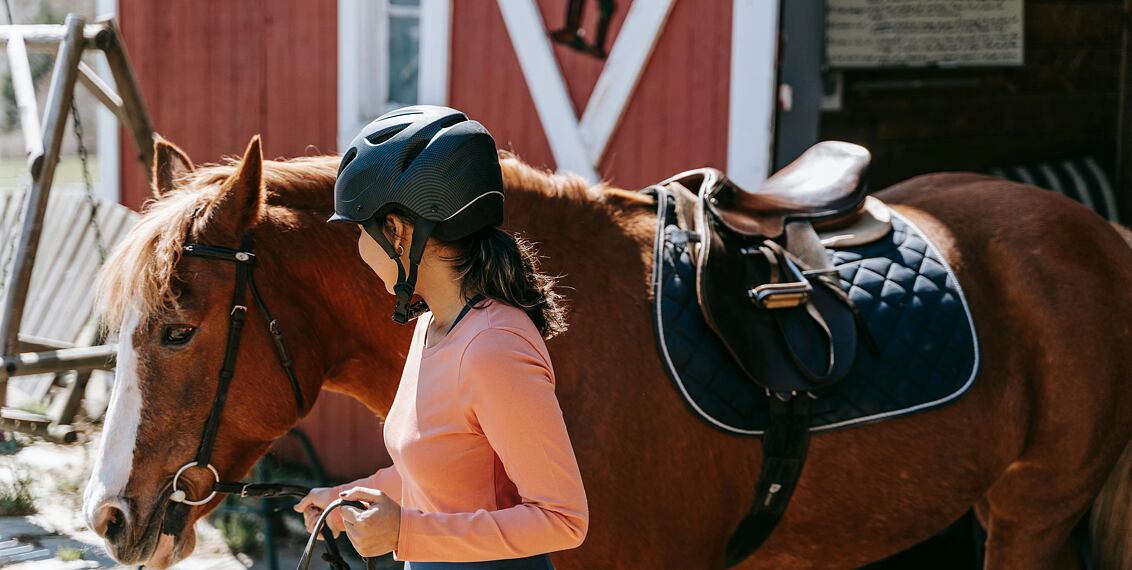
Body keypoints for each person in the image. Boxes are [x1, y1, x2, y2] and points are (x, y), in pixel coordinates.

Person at [294, 105, 588, 569]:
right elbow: (444, 474)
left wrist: (405, 532)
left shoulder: (493, 348)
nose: (357, 249)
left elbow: (563, 518)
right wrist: (344, 501)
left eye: (360, 231)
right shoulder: (433, 324)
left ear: (396, 231)